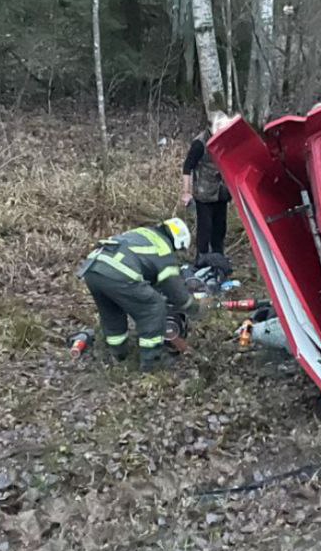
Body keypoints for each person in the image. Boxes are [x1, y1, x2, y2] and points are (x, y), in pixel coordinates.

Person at [77, 218, 195, 371]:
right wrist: (192, 307)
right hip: (118, 272)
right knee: (153, 306)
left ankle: (118, 355)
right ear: (179, 242)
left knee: (112, 311)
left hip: (93, 269)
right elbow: (174, 290)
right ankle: (151, 363)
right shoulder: (163, 248)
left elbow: (141, 263)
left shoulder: (144, 233)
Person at [180, 119, 230, 261]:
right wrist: (186, 191)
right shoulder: (199, 143)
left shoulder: (225, 141)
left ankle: (218, 259)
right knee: (205, 230)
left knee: (220, 229)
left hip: (221, 193)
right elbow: (187, 167)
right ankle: (201, 260)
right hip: (204, 194)